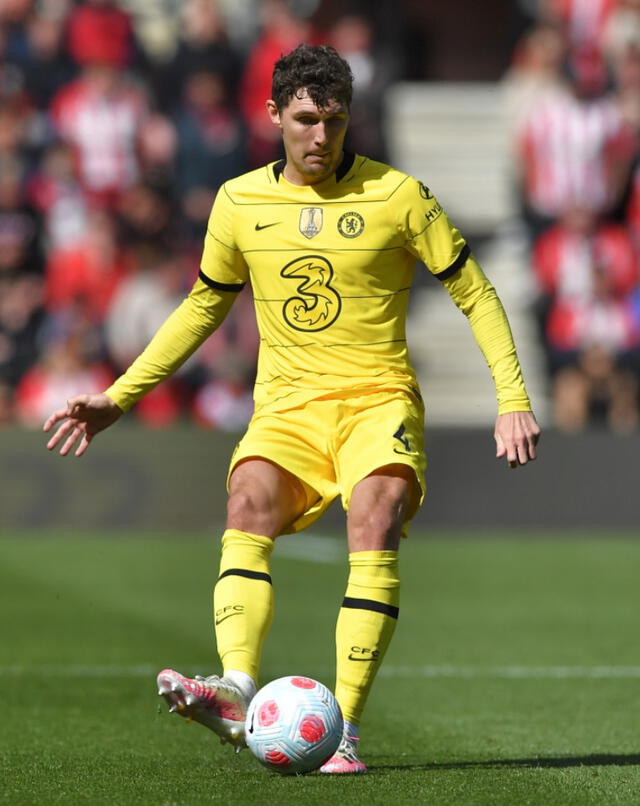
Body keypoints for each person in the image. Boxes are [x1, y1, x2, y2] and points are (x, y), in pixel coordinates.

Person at [43, 44, 540, 774]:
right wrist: (121, 396)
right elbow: (201, 307)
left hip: (377, 402)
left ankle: (345, 730)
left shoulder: (399, 195)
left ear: (349, 121)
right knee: (246, 499)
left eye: (333, 123)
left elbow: (477, 292)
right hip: (287, 409)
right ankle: (236, 687)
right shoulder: (239, 202)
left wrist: (513, 399)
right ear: (273, 114)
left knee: (375, 514)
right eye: (305, 119)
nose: (319, 137)